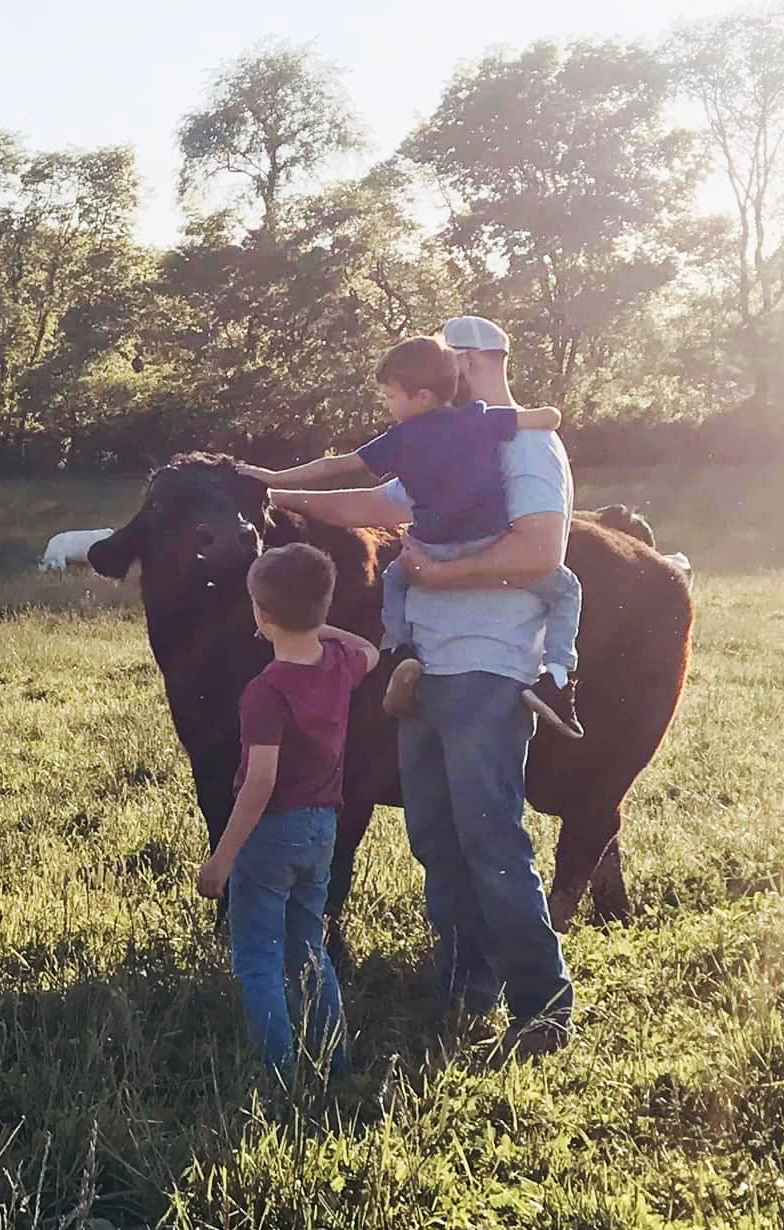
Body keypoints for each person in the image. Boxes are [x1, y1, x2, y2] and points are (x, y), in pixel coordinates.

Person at [262, 315, 576, 1061]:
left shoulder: (524, 444)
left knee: (490, 837)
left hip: (487, 662)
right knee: (436, 837)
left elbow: (541, 550)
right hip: (426, 665)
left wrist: (437, 573)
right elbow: (377, 505)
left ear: (469, 363)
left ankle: (543, 1008)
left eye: (446, 356)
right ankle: (467, 988)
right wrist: (279, 495)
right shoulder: (449, 441)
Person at [236, 333, 582, 739]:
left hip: (429, 545)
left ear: (419, 396)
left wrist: (273, 482)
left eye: (389, 397)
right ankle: (558, 678)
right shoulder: (479, 420)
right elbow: (548, 418)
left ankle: (397, 650)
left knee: (395, 579)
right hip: (483, 542)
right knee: (567, 589)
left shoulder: (402, 438)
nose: (387, 406)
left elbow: (339, 466)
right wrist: (533, 417)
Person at [196, 543, 379, 1085]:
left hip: (271, 834)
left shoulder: (265, 691)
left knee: (257, 958)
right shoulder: (341, 667)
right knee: (309, 950)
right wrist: (323, 629)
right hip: (322, 828)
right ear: (324, 609)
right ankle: (334, 1060)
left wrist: (221, 860)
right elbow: (368, 648)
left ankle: (280, 1076)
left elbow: (259, 783)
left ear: (262, 615)